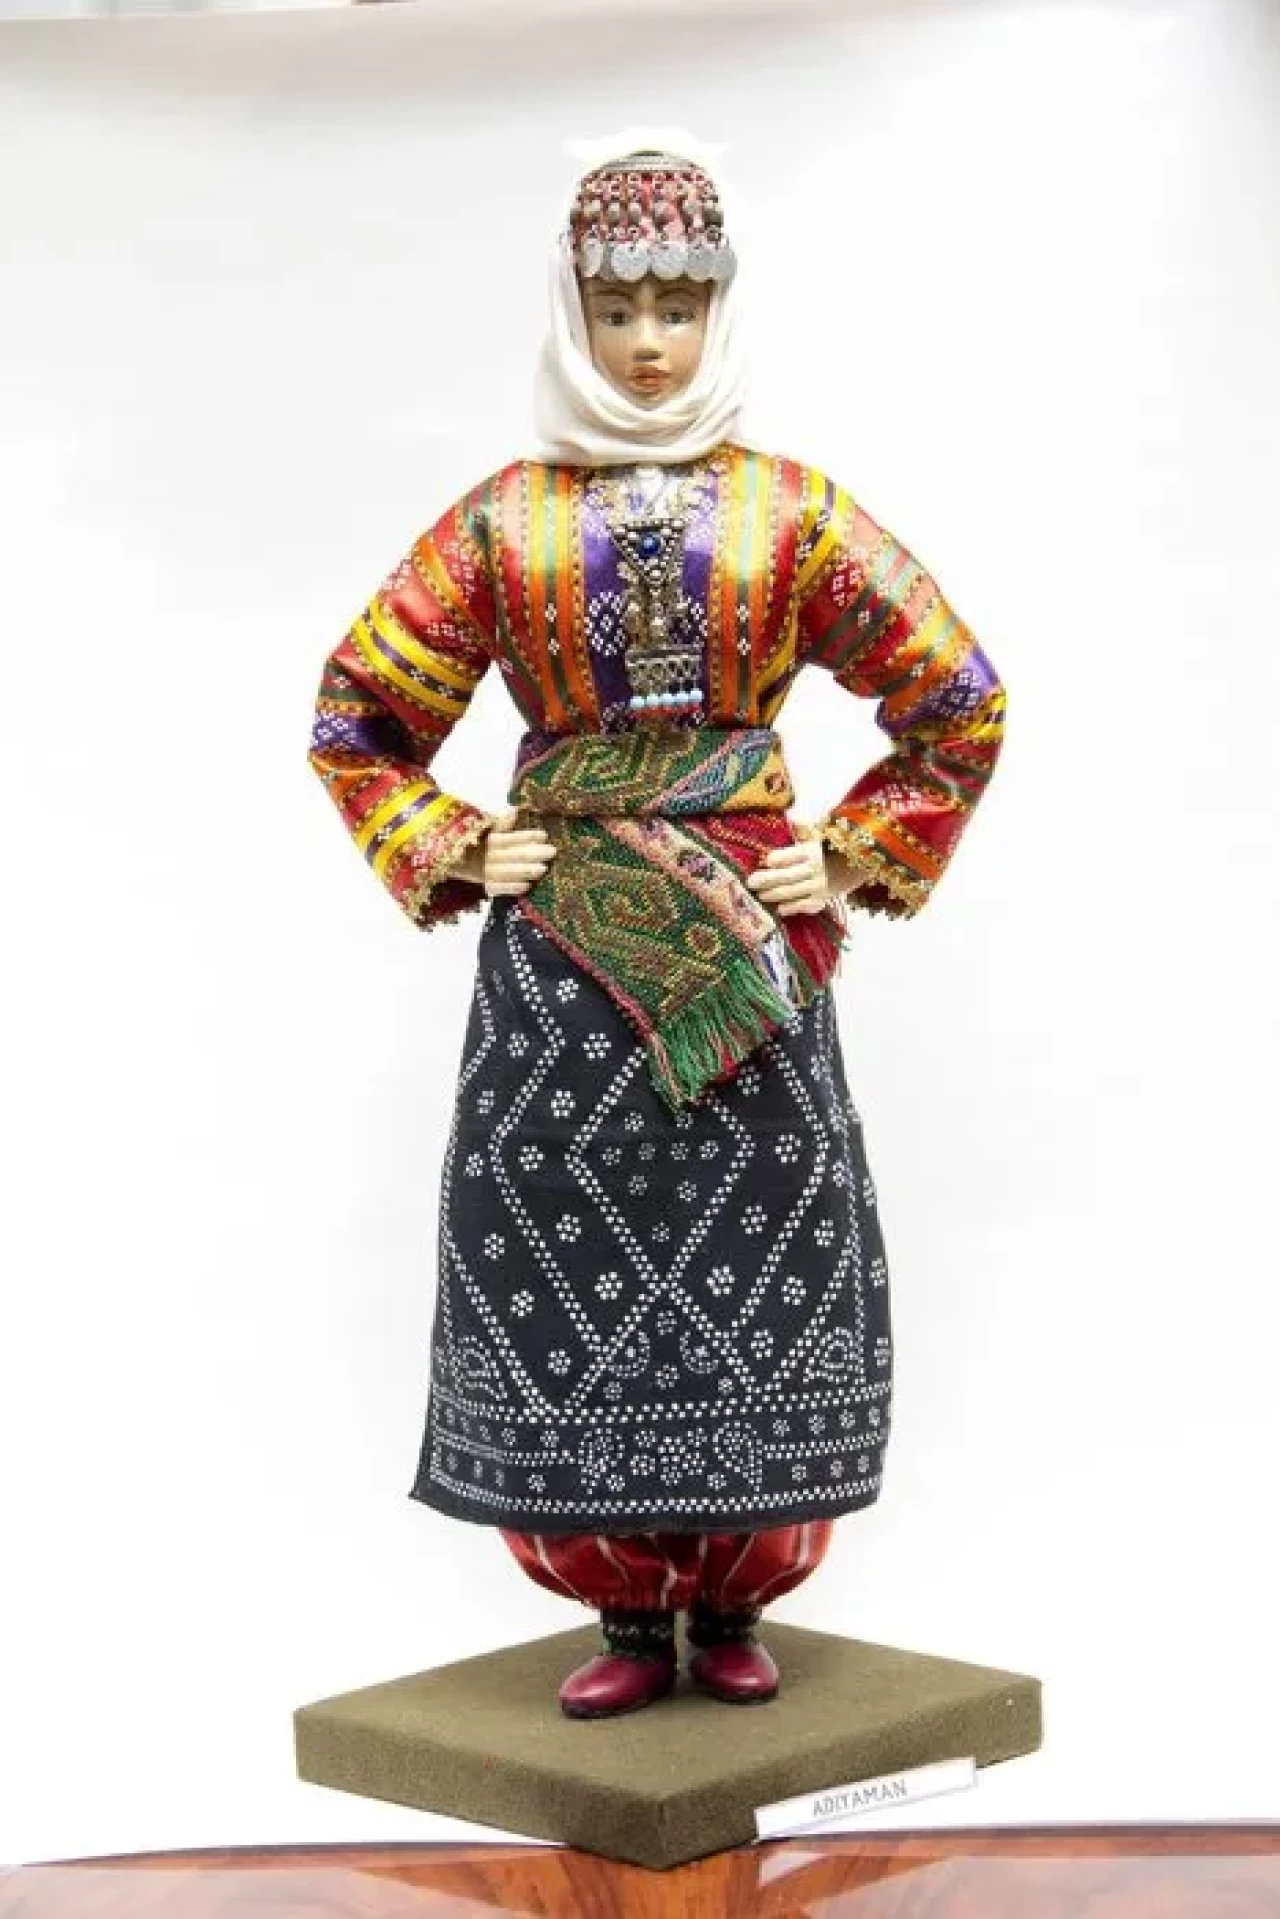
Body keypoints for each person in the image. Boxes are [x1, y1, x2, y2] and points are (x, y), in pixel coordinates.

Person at [306, 139, 1006, 1720]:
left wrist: (856, 848)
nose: (647, 343)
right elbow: (358, 713)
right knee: (561, 1251)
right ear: (573, 312)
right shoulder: (503, 526)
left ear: (719, 312)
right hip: (561, 967)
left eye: (678, 308)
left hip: (751, 957)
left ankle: (742, 1587)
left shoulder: (792, 516)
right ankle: (623, 1609)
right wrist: (450, 838)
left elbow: (958, 696)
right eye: (617, 308)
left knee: (768, 1248)